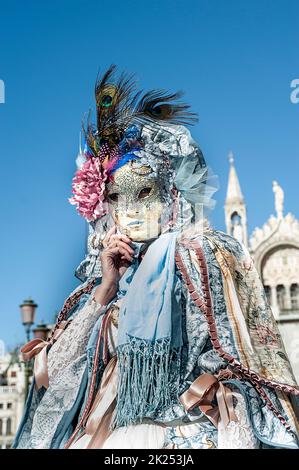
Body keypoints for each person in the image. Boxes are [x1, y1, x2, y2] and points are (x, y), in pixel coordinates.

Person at [13, 66, 299, 449]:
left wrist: (222, 404)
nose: (129, 210)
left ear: (171, 194)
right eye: (115, 197)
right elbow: (56, 377)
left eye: (144, 192)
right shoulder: (100, 284)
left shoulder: (204, 258)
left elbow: (248, 367)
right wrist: (105, 290)